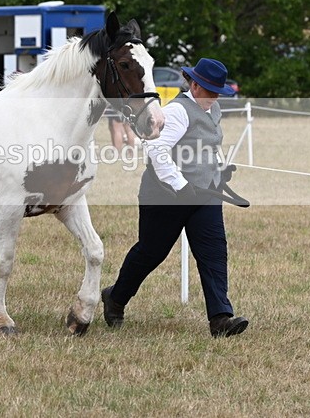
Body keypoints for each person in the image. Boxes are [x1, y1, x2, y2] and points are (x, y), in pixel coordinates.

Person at [101, 57, 248, 338]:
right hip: (165, 194)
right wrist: (180, 185)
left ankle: (220, 319)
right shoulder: (179, 112)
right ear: (193, 84)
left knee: (214, 252)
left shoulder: (212, 109)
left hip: (204, 193)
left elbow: (206, 145)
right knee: (151, 252)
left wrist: (218, 168)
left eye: (218, 91)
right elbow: (156, 150)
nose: (215, 96)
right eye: (209, 89)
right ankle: (115, 297)